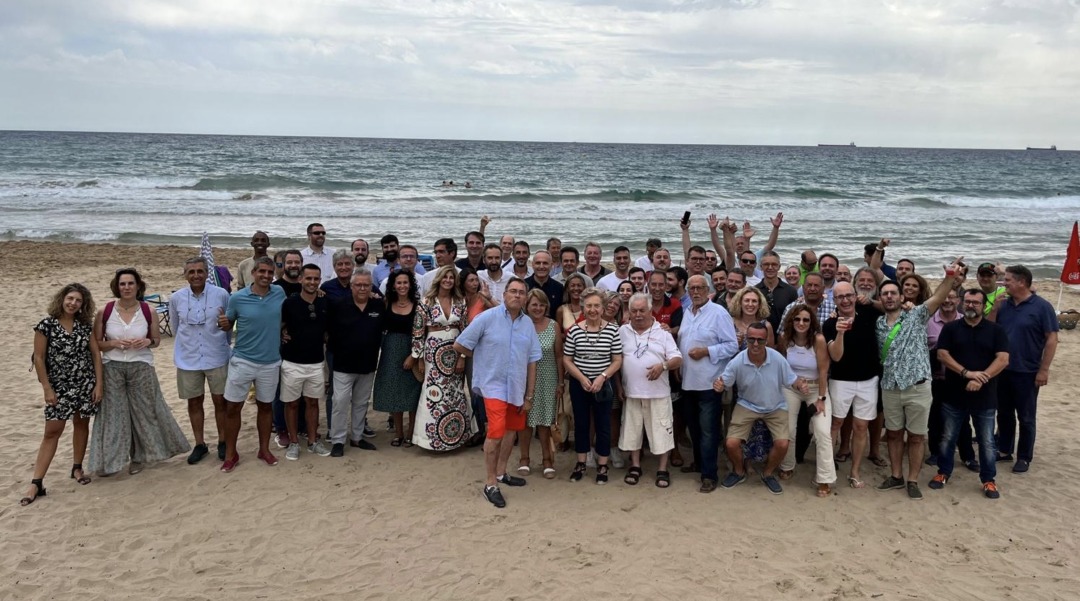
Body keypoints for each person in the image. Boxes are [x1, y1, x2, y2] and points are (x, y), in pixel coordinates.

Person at [874, 260, 963, 499]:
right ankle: (895, 475)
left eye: (893, 293)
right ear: (881, 299)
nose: (889, 297)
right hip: (890, 387)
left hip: (918, 387)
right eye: (885, 294)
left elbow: (938, 297)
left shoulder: (916, 315)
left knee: (916, 436)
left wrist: (950, 276)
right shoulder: (878, 324)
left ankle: (912, 479)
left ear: (901, 296)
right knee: (893, 433)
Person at [90, 268, 189, 476]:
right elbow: (97, 344)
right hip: (112, 367)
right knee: (113, 415)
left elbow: (156, 341)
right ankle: (111, 461)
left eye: (130, 283)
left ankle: (138, 457)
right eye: (122, 284)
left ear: (138, 286)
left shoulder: (148, 311)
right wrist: (115, 343)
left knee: (143, 413)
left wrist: (146, 342)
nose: (126, 287)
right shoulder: (105, 311)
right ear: (117, 287)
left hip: (141, 367)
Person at [454, 278, 541, 508]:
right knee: (495, 433)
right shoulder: (487, 318)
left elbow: (533, 361)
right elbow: (460, 344)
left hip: (517, 388)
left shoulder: (527, 325)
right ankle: (490, 484)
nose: (517, 295)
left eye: (522, 292)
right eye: (513, 291)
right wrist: (482, 358)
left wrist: (529, 396)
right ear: (504, 295)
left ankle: (502, 473)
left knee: (511, 431)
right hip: (493, 387)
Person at [22, 284, 103, 506]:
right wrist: (47, 388)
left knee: (81, 424)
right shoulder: (46, 325)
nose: (73, 303)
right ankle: (36, 482)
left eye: (78, 300)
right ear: (62, 299)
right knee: (52, 431)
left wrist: (99, 384)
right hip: (59, 386)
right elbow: (38, 359)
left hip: (85, 383)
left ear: (83, 305)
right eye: (70, 298)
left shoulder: (84, 326)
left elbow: (95, 355)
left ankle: (77, 467)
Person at [715, 321, 811, 495]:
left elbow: (792, 380)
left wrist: (800, 386)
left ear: (767, 340)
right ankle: (738, 471)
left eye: (760, 340)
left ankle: (767, 473)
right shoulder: (738, 360)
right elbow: (724, 381)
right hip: (747, 404)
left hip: (775, 405)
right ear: (746, 340)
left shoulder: (777, 358)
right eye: (751, 340)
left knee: (783, 443)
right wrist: (719, 385)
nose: (756, 344)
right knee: (731, 443)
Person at [931, 288, 1010, 499]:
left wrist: (980, 378)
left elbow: (1003, 359)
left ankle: (988, 480)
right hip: (954, 394)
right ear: (961, 304)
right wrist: (967, 373)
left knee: (986, 441)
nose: (970, 306)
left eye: (975, 302)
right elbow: (942, 354)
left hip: (985, 397)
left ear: (984, 306)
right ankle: (943, 472)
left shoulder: (996, 330)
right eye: (967, 302)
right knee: (948, 437)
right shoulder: (951, 328)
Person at [217, 257, 285, 471]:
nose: (266, 276)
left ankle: (263, 449)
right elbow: (227, 325)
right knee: (233, 407)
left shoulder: (279, 293)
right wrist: (223, 324)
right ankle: (231, 454)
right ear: (254, 272)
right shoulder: (237, 298)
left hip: (271, 362)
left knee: (265, 407)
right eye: (262, 271)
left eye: (269, 272)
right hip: (243, 361)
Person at [677, 274, 739, 493]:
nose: (695, 292)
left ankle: (709, 475)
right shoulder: (687, 312)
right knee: (694, 428)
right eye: (691, 288)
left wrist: (707, 351)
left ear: (707, 289)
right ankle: (699, 463)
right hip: (688, 382)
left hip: (709, 382)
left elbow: (732, 346)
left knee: (708, 431)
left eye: (699, 288)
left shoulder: (719, 313)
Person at [994, 264, 1058, 472]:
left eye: (1008, 280)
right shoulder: (1003, 305)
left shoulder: (1042, 307)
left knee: (1026, 416)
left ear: (1022, 282)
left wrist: (1044, 369)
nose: (1004, 283)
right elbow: (990, 329)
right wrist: (994, 308)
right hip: (1003, 370)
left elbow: (1052, 339)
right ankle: (1004, 450)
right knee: (1003, 413)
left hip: (1028, 371)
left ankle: (1024, 457)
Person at [170, 257, 231, 464]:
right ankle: (200, 444)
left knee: (220, 401)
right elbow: (176, 327)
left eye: (200, 271)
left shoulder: (221, 294)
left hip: (217, 355)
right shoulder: (177, 298)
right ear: (185, 274)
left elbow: (229, 325)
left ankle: (223, 441)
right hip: (188, 358)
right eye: (191, 271)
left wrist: (226, 326)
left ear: (207, 273)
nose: (196, 275)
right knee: (194, 401)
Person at [618, 293, 682, 489]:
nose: (638, 315)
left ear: (650, 310)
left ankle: (662, 469)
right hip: (632, 392)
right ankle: (635, 466)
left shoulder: (663, 333)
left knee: (662, 431)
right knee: (633, 431)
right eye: (634, 310)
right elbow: (616, 359)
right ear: (629, 311)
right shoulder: (622, 331)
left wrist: (662, 366)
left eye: (642, 310)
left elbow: (678, 359)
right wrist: (619, 386)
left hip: (658, 393)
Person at [823, 282, 883, 489]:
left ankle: (855, 470)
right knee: (836, 424)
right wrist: (840, 333)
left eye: (849, 295)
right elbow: (836, 357)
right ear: (834, 300)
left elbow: (890, 308)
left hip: (869, 380)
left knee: (861, 426)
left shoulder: (868, 313)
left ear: (855, 296)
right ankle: (828, 469)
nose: (846, 300)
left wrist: (872, 301)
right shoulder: (830, 324)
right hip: (841, 381)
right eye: (840, 297)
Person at [408, 265, 474, 451]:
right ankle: (430, 439)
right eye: (445, 277)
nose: (448, 281)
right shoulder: (426, 301)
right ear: (439, 279)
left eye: (451, 278)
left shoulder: (460, 302)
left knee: (454, 392)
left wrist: (462, 357)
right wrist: (418, 358)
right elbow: (418, 332)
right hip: (432, 353)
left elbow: (465, 332)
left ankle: (455, 437)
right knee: (433, 392)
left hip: (454, 353)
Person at [562, 288, 624, 484]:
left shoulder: (612, 330)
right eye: (588, 306)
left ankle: (603, 464)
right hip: (580, 384)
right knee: (581, 424)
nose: (592, 309)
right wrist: (581, 378)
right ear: (583, 307)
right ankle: (581, 462)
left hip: (602, 385)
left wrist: (602, 377)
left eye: (596, 305)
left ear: (603, 307)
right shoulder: (575, 330)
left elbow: (617, 360)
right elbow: (567, 359)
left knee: (603, 425)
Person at [776, 305, 835, 497]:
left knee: (822, 432)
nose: (801, 323)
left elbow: (824, 370)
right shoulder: (784, 338)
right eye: (797, 319)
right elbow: (783, 367)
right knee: (789, 429)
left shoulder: (818, 340)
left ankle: (825, 478)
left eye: (806, 320)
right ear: (791, 321)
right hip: (792, 387)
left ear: (811, 323)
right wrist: (794, 383)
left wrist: (821, 399)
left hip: (816, 388)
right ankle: (787, 465)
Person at [326, 268, 383, 456]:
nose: (362, 288)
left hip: (368, 363)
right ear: (351, 286)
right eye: (358, 285)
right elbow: (325, 330)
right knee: (340, 402)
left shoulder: (378, 305)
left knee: (361, 402)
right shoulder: (338, 305)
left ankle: (357, 438)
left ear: (371, 286)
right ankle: (338, 440)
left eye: (366, 285)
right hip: (343, 364)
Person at [279, 264, 334, 460]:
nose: (312, 282)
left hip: (316, 362)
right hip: (292, 362)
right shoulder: (290, 303)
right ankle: (294, 442)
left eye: (316, 279)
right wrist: (281, 335)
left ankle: (312, 441)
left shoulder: (325, 301)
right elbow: (280, 326)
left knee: (312, 402)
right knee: (292, 404)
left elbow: (329, 329)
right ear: (301, 279)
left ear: (320, 280)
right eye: (308, 278)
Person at [515, 289, 564, 478]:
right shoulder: (520, 324)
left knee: (545, 422)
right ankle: (524, 459)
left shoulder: (553, 325)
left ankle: (547, 460)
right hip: (524, 378)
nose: (538, 308)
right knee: (525, 422)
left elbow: (559, 356)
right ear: (527, 306)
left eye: (541, 304)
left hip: (548, 378)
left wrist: (560, 382)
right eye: (534, 304)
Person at [373, 270, 423, 447]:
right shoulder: (386, 303)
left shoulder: (419, 305)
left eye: (405, 282)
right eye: (398, 283)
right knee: (394, 391)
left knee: (413, 394)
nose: (402, 286)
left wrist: (414, 356)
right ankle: (399, 433)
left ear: (411, 284)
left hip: (412, 351)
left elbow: (423, 333)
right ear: (393, 285)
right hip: (390, 351)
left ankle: (411, 434)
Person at [925, 288, 973, 468]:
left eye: (951, 297)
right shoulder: (929, 322)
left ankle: (967, 455)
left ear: (958, 300)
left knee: (963, 420)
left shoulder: (966, 321)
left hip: (961, 379)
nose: (947, 301)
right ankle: (936, 453)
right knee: (934, 418)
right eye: (944, 297)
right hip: (937, 378)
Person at [757, 251, 798, 334]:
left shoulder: (791, 291)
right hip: (760, 339)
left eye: (774, 264)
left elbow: (795, 317)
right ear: (761, 267)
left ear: (779, 267)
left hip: (784, 337)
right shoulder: (755, 291)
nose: (770, 267)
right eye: (766, 264)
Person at [525, 250, 564, 318]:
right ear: (532, 265)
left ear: (551, 265)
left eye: (545, 263)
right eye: (538, 263)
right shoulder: (523, 286)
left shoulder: (559, 288)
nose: (541, 266)